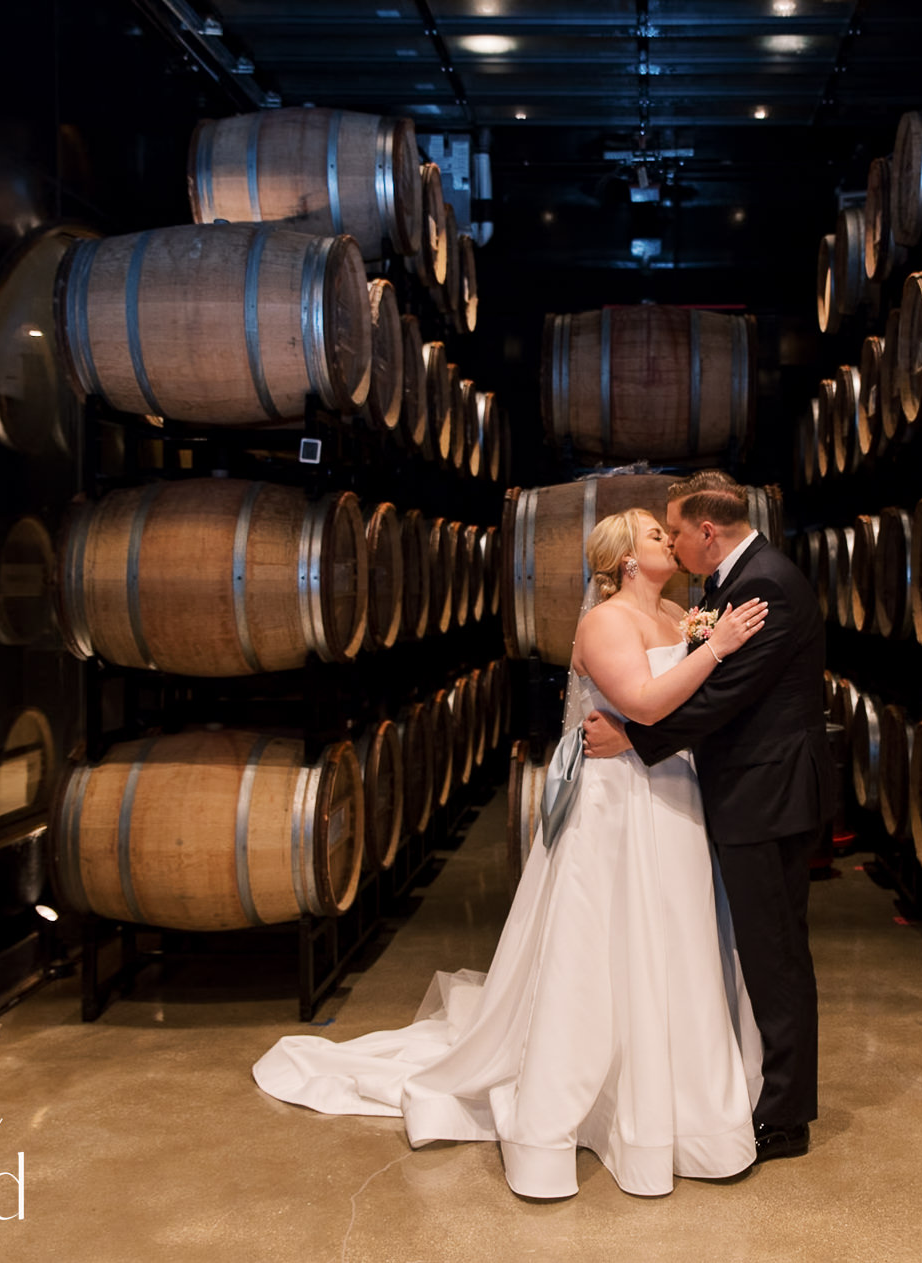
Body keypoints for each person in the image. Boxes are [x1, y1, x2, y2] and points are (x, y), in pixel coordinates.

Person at [253, 508, 771, 1200]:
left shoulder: (682, 613)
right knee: (608, 944)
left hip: (673, 792)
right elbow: (645, 707)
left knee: (676, 936)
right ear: (624, 560)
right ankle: (596, 1106)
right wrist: (718, 648)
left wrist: (706, 645)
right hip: (618, 805)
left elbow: (691, 711)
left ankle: (689, 1109)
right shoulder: (606, 622)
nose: (668, 542)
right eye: (654, 535)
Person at [583, 470, 837, 1164]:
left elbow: (723, 693)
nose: (672, 542)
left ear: (706, 531)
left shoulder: (765, 583)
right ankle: (767, 1090)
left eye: (674, 529)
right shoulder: (736, 582)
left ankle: (785, 1117)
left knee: (776, 954)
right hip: (755, 793)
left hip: (769, 795)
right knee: (761, 949)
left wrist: (634, 738)